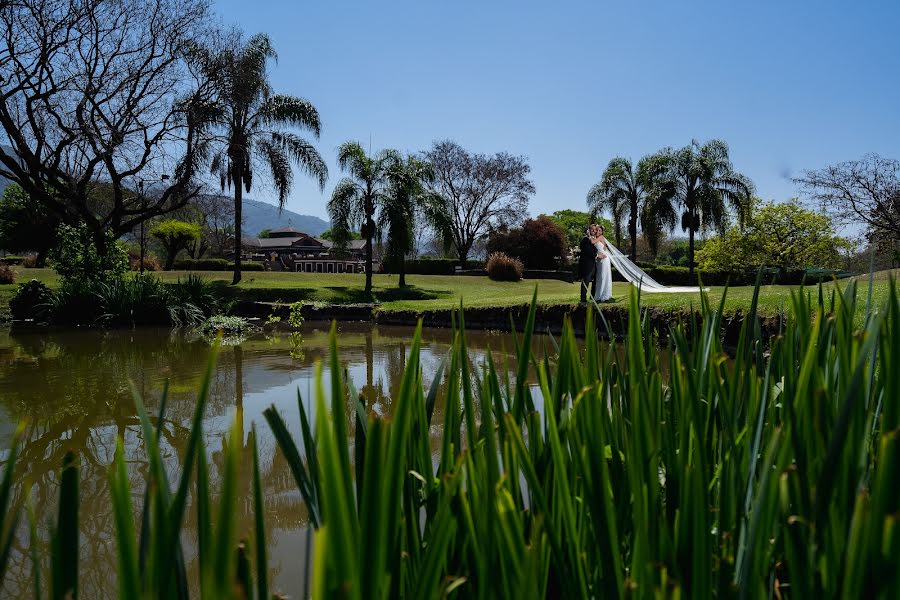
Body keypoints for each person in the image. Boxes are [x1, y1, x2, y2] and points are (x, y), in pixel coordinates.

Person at [591, 225, 613, 302]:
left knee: (603, 276)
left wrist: (589, 235)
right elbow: (603, 248)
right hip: (600, 259)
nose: (598, 232)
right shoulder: (598, 238)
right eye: (597, 230)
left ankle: (603, 294)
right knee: (600, 277)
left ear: (602, 232)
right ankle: (599, 294)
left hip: (604, 259)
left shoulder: (600, 237)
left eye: (600, 231)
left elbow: (592, 242)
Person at [578, 225, 597, 302]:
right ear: (588, 230)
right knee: (586, 281)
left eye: (594, 230)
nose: (594, 231)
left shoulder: (593, 240)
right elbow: (588, 251)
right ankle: (583, 299)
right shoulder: (585, 239)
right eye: (592, 229)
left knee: (595, 281)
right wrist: (597, 255)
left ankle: (592, 297)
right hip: (586, 265)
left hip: (593, 264)